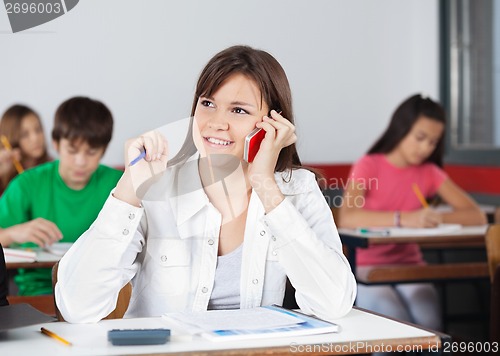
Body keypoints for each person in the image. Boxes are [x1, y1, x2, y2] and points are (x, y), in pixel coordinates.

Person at [56, 45, 357, 323]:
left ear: (273, 123)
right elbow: (77, 307)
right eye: (208, 103)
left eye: (239, 110)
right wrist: (129, 188)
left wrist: (265, 185)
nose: (216, 122)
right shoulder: (158, 186)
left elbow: (333, 303)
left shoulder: (296, 188)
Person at [338, 93, 487, 331]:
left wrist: (433, 218)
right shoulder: (370, 164)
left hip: (409, 265)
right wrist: (404, 219)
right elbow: (348, 217)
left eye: (433, 142)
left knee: (430, 324)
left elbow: (475, 215)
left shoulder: (428, 172)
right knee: (391, 321)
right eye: (420, 137)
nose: (426, 148)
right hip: (366, 266)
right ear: (401, 129)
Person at [0, 96, 123, 295]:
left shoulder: (121, 184)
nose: (81, 162)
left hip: (101, 295)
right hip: (38, 295)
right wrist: (12, 233)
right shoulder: (27, 184)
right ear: (56, 144)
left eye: (92, 152)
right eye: (72, 151)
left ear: (104, 150)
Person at [0, 104, 51, 195]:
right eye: (24, 134)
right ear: (11, 138)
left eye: (38, 129)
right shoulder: (4, 176)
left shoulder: (54, 168)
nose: (35, 138)